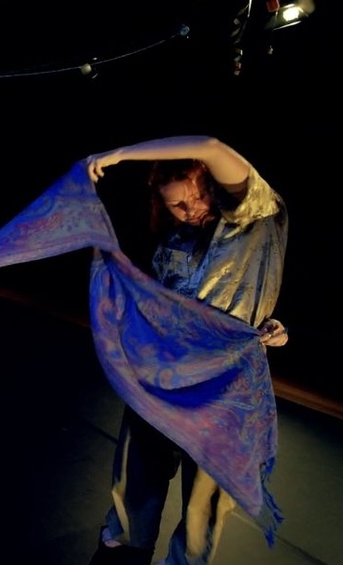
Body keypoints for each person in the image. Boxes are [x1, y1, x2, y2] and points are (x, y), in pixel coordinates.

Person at [84, 136, 289, 565]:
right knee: (134, 492)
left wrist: (119, 154)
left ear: (210, 184)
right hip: (162, 384)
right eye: (176, 204)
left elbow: (211, 146)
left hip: (221, 394)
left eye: (195, 197)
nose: (189, 209)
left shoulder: (254, 216)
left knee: (202, 510)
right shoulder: (176, 240)